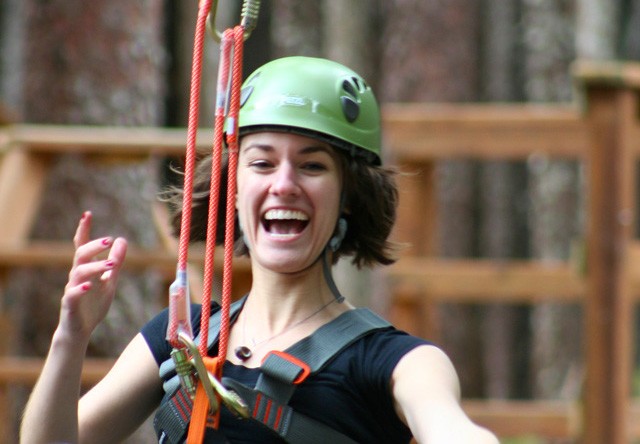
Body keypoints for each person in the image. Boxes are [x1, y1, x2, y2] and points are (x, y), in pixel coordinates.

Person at [20, 56, 499, 444]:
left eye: (312, 166)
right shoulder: (183, 337)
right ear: (233, 188)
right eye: (263, 163)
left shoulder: (392, 362)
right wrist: (71, 336)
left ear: (348, 196)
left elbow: (446, 425)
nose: (284, 185)